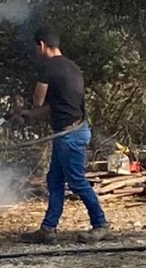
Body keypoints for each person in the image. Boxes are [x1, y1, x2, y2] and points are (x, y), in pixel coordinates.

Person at [8, 28, 112, 245]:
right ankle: (48, 229)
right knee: (54, 180)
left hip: (70, 135)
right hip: (72, 131)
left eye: (37, 48)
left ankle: (101, 225)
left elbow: (38, 103)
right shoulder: (72, 67)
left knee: (77, 181)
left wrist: (23, 109)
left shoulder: (49, 68)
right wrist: (27, 114)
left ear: (42, 45)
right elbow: (52, 107)